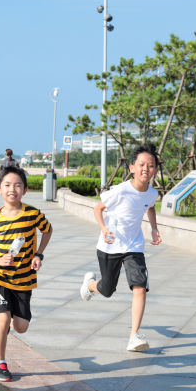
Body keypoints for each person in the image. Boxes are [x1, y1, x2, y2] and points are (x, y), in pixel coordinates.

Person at [79, 143, 162, 352]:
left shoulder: (151, 193)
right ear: (132, 167)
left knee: (140, 286)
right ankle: (90, 285)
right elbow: (98, 208)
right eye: (141, 164)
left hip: (134, 246)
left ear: (155, 170)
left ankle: (134, 336)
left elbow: (150, 208)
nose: (146, 169)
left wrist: (154, 229)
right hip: (109, 246)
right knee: (107, 290)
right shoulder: (120, 191)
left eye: (150, 166)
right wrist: (103, 228)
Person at [0, 167, 52, 381]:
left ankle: (7, 320)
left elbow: (47, 230)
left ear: (25, 189)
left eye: (17, 185)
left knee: (21, 327)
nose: (12, 189)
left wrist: (39, 254)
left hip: (23, 279)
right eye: (7, 185)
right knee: (3, 318)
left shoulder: (33, 214)